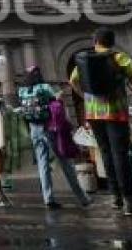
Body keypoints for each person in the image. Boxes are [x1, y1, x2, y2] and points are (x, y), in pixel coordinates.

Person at [69, 27, 132, 217]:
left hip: (94, 114)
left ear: (95, 41)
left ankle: (115, 196)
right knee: (121, 155)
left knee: (105, 154)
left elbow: (73, 81)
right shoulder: (118, 57)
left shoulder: (83, 59)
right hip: (116, 113)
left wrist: (86, 97)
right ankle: (130, 201)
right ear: (112, 41)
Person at [18, 65, 90, 209]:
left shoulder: (22, 90)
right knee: (65, 161)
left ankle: (48, 198)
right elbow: (55, 101)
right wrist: (59, 95)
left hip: (34, 129)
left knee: (42, 164)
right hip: (49, 128)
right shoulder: (44, 87)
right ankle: (82, 198)